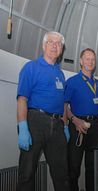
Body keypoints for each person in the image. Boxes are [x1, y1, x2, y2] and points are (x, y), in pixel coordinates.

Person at [16, 31, 70, 191]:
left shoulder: (60, 74)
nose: (55, 46)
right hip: (35, 122)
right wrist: (23, 127)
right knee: (27, 173)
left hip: (57, 125)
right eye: (51, 42)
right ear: (43, 45)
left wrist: (65, 125)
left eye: (59, 43)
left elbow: (63, 104)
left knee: (62, 174)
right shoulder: (31, 67)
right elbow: (22, 99)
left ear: (61, 49)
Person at [64, 48, 98, 191]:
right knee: (74, 168)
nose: (90, 62)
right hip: (77, 127)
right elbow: (64, 106)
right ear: (81, 61)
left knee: (93, 168)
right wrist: (74, 120)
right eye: (87, 59)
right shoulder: (72, 82)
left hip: (95, 128)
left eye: (93, 59)